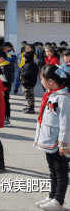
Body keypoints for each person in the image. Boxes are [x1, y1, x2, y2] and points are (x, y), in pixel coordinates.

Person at [33, 65, 70, 211]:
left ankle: (58, 201)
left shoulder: (63, 98)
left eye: (41, 79)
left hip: (58, 142)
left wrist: (63, 143)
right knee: (52, 170)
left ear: (49, 81)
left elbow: (66, 123)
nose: (40, 82)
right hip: (49, 140)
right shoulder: (51, 94)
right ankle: (51, 196)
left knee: (61, 172)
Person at [0, 50, 15, 126]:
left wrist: (3, 88)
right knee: (3, 103)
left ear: (1, 58)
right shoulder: (6, 65)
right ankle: (3, 118)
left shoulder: (4, 67)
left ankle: (6, 119)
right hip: (4, 88)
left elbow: (5, 80)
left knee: (5, 103)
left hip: (4, 89)